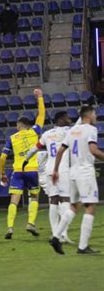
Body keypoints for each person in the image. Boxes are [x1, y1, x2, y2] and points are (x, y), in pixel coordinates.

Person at [50, 106, 102, 255]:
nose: (96, 116)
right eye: (95, 114)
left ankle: (55, 236)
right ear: (90, 115)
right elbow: (93, 150)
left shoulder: (72, 130)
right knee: (90, 207)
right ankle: (82, 247)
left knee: (74, 206)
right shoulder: (91, 130)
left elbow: (61, 150)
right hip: (85, 171)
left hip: (72, 172)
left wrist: (55, 170)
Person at [0, 88, 45, 239]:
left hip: (18, 170)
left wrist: (2, 174)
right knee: (34, 196)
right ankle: (30, 223)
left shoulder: (12, 137)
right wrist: (40, 98)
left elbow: (2, 157)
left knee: (14, 200)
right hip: (32, 169)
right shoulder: (34, 132)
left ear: (19, 126)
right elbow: (42, 115)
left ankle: (10, 227)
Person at [23, 111, 74, 243]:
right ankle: (63, 235)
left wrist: (25, 160)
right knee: (65, 200)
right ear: (60, 120)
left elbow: (34, 149)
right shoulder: (67, 131)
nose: (69, 119)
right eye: (66, 117)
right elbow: (80, 127)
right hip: (61, 169)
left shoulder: (47, 134)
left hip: (48, 169)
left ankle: (55, 233)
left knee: (53, 201)